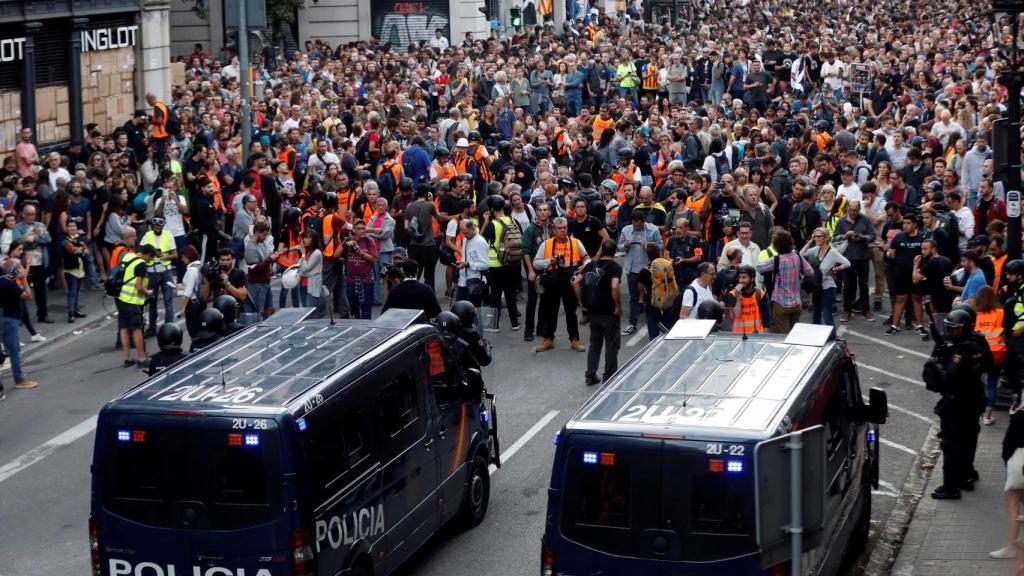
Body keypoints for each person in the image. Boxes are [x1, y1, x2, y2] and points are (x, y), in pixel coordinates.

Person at [923, 308, 990, 500]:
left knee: (951, 444)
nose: (950, 332)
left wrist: (936, 364)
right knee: (969, 439)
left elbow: (949, 378)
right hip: (975, 398)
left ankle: (951, 487)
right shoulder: (979, 342)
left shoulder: (961, 350)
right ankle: (967, 474)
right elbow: (989, 363)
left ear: (964, 327)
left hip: (958, 402)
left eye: (954, 328)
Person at [533, 217, 590, 353]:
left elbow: (586, 257)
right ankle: (548, 339)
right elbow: (536, 263)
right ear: (554, 230)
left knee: (571, 311)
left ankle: (574, 339)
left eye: (565, 228)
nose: (563, 230)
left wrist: (586, 265)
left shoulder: (576, 242)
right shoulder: (546, 244)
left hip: (570, 279)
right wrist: (549, 262)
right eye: (560, 228)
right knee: (550, 311)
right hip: (551, 280)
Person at [574, 239, 622, 386]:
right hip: (608, 312)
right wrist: (618, 306)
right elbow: (615, 286)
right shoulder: (615, 267)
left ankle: (590, 374)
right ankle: (609, 376)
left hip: (593, 311)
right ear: (614, 252)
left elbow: (576, 282)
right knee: (611, 345)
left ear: (601, 250)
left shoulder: (590, 265)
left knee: (595, 344)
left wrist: (581, 303)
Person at [480, 195, 522, 332]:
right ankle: (515, 323)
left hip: (496, 265)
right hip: (513, 263)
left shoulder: (493, 224)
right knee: (511, 293)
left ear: (492, 209)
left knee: (496, 295)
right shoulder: (513, 221)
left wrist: (486, 221)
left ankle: (495, 325)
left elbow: (481, 241)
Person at [617, 212, 662, 335]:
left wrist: (648, 245)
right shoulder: (626, 230)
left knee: (651, 297)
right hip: (632, 269)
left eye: (638, 225)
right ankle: (632, 324)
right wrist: (624, 245)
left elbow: (661, 246)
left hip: (649, 269)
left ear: (643, 222)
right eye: (633, 224)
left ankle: (653, 322)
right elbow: (619, 246)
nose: (635, 227)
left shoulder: (653, 230)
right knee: (634, 298)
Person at [833, 200, 877, 322]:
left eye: (856, 210)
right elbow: (834, 238)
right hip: (847, 258)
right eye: (851, 210)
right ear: (847, 208)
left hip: (863, 257)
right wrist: (844, 236)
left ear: (859, 209)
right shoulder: (841, 221)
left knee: (864, 285)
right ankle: (847, 310)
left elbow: (872, 235)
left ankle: (866, 310)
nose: (853, 212)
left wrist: (863, 237)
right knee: (847, 286)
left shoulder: (865, 219)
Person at [885, 213, 927, 337]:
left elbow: (927, 255)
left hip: (916, 275)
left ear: (915, 224)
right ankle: (895, 326)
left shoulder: (922, 238)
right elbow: (890, 253)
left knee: (917, 299)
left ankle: (920, 326)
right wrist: (889, 254)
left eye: (908, 223)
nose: (905, 225)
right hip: (900, 274)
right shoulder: (899, 237)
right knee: (900, 299)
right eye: (904, 223)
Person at [117, 244, 157, 369]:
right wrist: (148, 292)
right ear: (148, 255)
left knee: (123, 328)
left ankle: (128, 358)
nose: (151, 261)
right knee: (136, 329)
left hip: (120, 297)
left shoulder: (128, 256)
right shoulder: (141, 264)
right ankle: (141, 358)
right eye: (152, 258)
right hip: (132, 300)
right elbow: (139, 287)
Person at [0, 259, 37, 391]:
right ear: (13, 271)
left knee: (5, 352)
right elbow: (28, 296)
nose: (22, 270)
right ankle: (19, 379)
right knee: (14, 351)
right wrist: (25, 279)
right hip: (10, 319)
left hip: (4, 318)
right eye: (19, 267)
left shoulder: (2, 281)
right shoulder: (10, 284)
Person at [801, 227, 850, 326]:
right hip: (817, 287)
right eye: (815, 237)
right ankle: (816, 340)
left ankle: (832, 338)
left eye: (819, 236)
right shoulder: (816, 249)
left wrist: (834, 270)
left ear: (826, 238)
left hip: (828, 288)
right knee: (816, 316)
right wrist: (810, 240)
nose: (816, 239)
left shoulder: (832, 252)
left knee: (828, 316)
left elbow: (847, 263)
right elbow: (801, 254)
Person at [973, 285, 1005, 426]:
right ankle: (987, 415)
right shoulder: (1000, 312)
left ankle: (975, 411)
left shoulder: (976, 313)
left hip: (979, 353)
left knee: (977, 383)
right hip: (997, 352)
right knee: (992, 384)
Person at [140, 217, 177, 336]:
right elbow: (141, 253)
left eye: (160, 225)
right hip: (152, 272)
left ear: (163, 226)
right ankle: (152, 328)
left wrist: (164, 257)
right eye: (156, 225)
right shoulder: (147, 236)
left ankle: (169, 328)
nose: (158, 227)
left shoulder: (168, 235)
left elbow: (175, 255)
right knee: (152, 302)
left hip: (166, 272)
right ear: (152, 226)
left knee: (168, 301)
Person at [343, 220, 379, 319]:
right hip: (351, 280)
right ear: (353, 230)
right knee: (354, 312)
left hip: (366, 280)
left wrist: (361, 254)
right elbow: (336, 254)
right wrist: (345, 244)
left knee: (366, 312)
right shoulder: (348, 241)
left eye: (364, 228)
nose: (362, 231)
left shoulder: (369, 241)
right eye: (359, 229)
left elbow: (375, 259)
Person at [722, 264, 771, 333]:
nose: (741, 280)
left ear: (752, 279)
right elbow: (737, 315)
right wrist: (738, 299)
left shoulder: (761, 295)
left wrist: (764, 337)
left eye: (744, 277)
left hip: (756, 336)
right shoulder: (732, 294)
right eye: (740, 277)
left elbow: (767, 321)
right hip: (738, 336)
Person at [178, 245, 205, 337]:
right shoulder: (199, 266)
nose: (182, 259)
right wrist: (181, 287)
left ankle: (196, 349)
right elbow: (194, 285)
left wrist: (183, 308)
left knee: (193, 332)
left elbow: (189, 291)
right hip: (200, 302)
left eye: (183, 257)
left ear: (187, 256)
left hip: (193, 304)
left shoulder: (191, 270)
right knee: (200, 329)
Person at [297, 229, 324, 308]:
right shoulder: (307, 252)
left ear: (314, 240)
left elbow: (305, 268)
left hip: (311, 287)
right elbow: (298, 267)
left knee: (310, 312)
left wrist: (303, 254)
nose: (305, 240)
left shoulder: (317, 253)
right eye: (304, 237)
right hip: (302, 285)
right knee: (304, 312)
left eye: (308, 238)